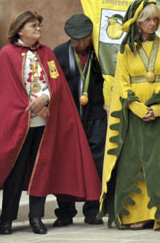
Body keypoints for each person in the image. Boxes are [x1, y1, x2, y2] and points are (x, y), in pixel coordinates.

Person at [0, 11, 101, 235]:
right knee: (15, 172)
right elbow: (5, 90)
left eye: (39, 25)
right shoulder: (7, 53)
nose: (38, 29)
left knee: (39, 170)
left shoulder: (48, 53)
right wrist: (30, 104)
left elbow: (56, 82)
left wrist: (46, 99)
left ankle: (36, 217)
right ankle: (6, 219)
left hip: (44, 123)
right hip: (18, 123)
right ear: (20, 29)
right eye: (33, 25)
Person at [102, 0, 160, 231]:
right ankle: (132, 215)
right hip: (134, 116)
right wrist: (138, 108)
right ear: (138, 23)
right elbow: (122, 83)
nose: (153, 24)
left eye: (156, 19)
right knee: (134, 162)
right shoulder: (126, 50)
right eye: (148, 19)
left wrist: (159, 108)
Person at [52, 13, 107, 227]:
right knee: (66, 162)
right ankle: (65, 211)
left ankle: (93, 210)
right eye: (74, 39)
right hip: (68, 116)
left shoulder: (101, 54)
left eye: (82, 39)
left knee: (96, 162)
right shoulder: (59, 54)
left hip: (95, 115)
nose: (78, 43)